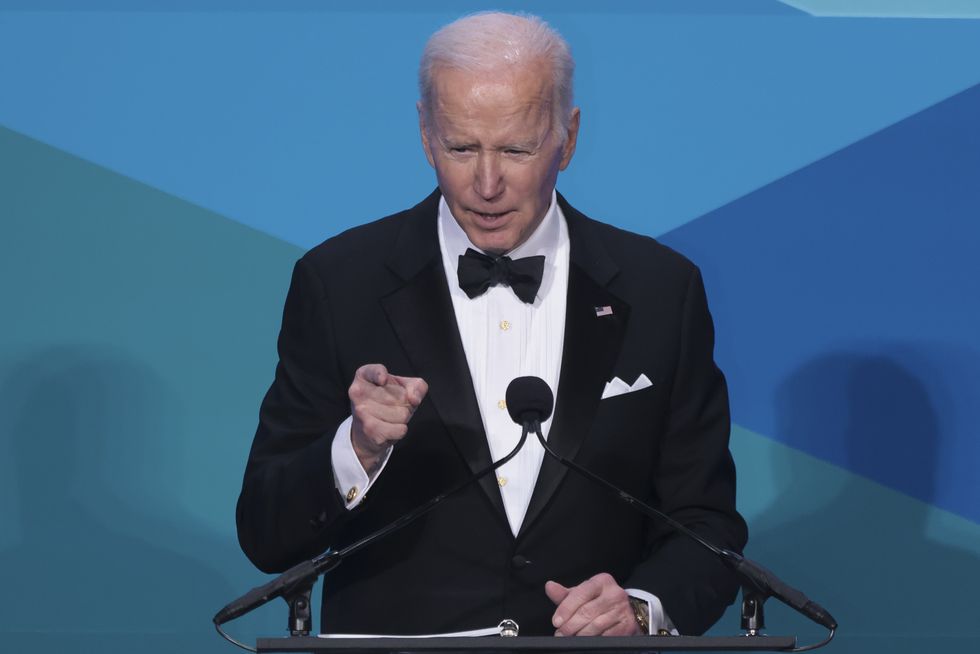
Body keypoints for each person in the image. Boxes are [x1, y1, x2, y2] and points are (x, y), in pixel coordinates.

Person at [237, 11, 747, 638]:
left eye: (515, 149)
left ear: (569, 138)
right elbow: (265, 533)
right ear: (425, 135)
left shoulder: (661, 290)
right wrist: (357, 449)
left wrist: (643, 608)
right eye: (460, 148)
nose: (486, 184)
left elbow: (707, 525)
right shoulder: (339, 284)